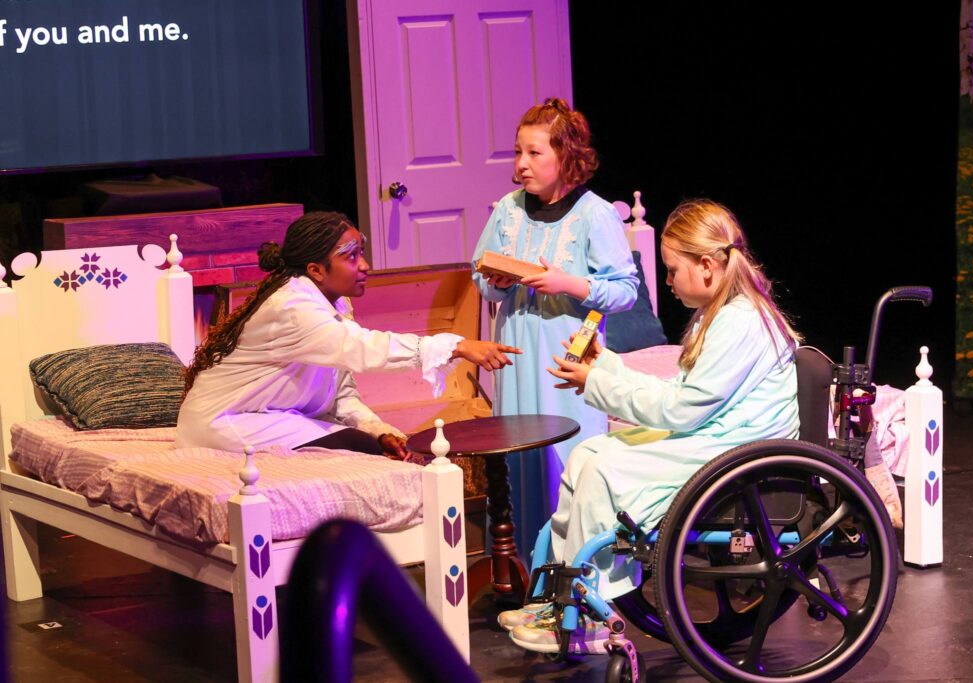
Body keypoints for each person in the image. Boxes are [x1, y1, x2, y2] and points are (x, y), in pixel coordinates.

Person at [499, 198, 802, 654]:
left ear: (706, 265)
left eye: (671, 269)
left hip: (739, 449)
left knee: (603, 470)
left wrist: (598, 381)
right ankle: (559, 595)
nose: (666, 280)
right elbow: (683, 391)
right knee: (589, 453)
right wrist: (610, 367)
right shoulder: (721, 313)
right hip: (718, 435)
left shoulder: (739, 321)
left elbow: (682, 409)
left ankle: (586, 613)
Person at [177, 211, 520, 457]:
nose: (365, 265)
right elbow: (362, 348)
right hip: (224, 422)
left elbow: (341, 394)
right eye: (352, 256)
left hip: (271, 416)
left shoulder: (335, 303)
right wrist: (455, 345)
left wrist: (377, 428)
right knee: (357, 448)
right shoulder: (293, 308)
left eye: (362, 253)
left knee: (368, 443)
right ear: (316, 270)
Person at [471, 97, 639, 552]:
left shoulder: (594, 214)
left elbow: (626, 290)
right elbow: (479, 277)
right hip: (516, 351)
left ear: (566, 157)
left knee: (566, 459)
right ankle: (521, 568)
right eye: (518, 152)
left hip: (566, 355)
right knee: (517, 457)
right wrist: (499, 281)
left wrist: (570, 283)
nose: (521, 165)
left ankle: (574, 572)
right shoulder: (508, 209)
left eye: (534, 153)